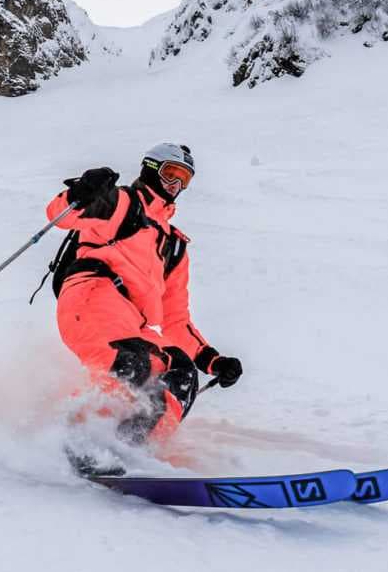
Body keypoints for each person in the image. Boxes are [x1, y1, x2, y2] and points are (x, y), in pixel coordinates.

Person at [44, 142, 241, 446]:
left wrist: (212, 361)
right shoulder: (123, 203)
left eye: (184, 179)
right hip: (91, 298)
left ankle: (132, 445)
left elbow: (176, 319)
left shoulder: (173, 247)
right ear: (150, 169)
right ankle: (74, 436)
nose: (175, 185)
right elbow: (62, 215)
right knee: (132, 364)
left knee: (181, 371)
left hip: (133, 323)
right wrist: (84, 190)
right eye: (170, 174)